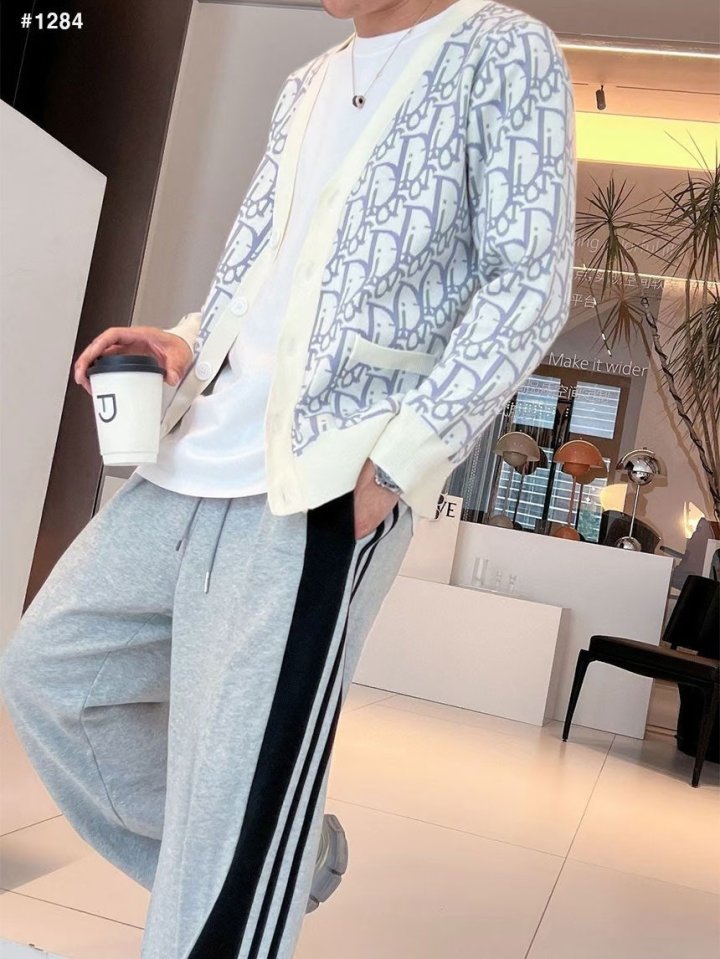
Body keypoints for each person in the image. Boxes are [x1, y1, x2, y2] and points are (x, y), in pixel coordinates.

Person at [0, 0, 576, 955]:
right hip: (193, 456)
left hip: (325, 486)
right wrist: (184, 342)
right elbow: (262, 272)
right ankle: (285, 853)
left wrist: (399, 462)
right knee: (54, 675)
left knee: (234, 802)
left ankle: (256, 848)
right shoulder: (307, 83)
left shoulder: (503, 49)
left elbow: (528, 282)